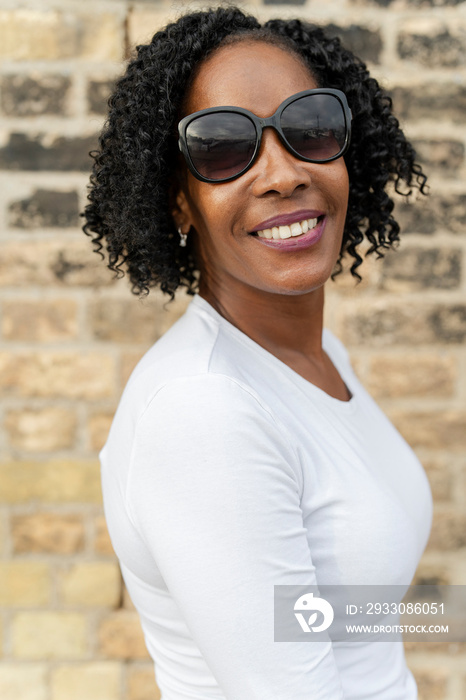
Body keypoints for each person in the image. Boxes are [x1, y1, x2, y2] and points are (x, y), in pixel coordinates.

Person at [83, 6, 433, 699]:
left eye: (309, 129)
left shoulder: (315, 355)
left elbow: (317, 619)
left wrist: (442, 618)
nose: (280, 174)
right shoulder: (205, 409)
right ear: (179, 200)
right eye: (221, 147)